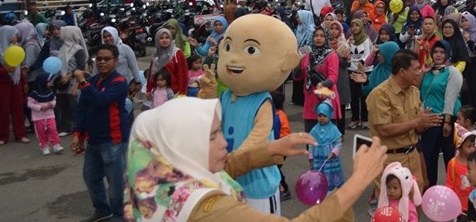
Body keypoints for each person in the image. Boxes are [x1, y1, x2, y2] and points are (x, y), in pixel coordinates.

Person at [124, 96, 390, 221]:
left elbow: (226, 165)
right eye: (212, 135)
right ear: (182, 146)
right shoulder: (208, 208)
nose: (223, 142)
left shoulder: (160, 178)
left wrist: (271, 148)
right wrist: (358, 182)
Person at [367, 49, 443, 191]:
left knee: (414, 207)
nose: (419, 72)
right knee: (393, 209)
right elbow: (384, 129)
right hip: (390, 161)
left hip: (413, 158)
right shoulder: (379, 95)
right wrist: (416, 122)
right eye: (415, 69)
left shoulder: (414, 92)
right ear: (402, 72)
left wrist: (424, 123)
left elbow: (417, 130)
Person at [72, 44, 130, 222]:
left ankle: (120, 215)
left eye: (107, 59)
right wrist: (78, 135)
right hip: (94, 141)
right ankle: (102, 210)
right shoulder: (94, 81)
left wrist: (82, 82)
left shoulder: (119, 82)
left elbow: (102, 100)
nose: (102, 62)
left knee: (115, 182)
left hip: (113, 140)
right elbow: (83, 109)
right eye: (99, 58)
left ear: (116, 61)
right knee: (90, 177)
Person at [419, 39, 463, 188]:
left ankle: (454, 189)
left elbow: (450, 97)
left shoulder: (452, 72)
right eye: (435, 52)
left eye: (442, 52)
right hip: (429, 119)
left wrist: (447, 122)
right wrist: (423, 72)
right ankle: (430, 188)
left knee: (449, 158)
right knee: (428, 156)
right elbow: (419, 91)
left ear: (447, 54)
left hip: (446, 118)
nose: (438, 55)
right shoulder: (429, 71)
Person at [297, 26, 341, 132]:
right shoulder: (307, 55)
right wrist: (297, 64)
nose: (318, 38)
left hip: (326, 97)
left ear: (326, 38)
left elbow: (333, 76)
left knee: (327, 139)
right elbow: (298, 76)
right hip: (311, 98)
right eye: (316, 35)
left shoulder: (331, 55)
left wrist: (323, 84)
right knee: (310, 137)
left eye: (322, 36)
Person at [309, 101, 345, 192]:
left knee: (330, 174)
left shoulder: (333, 129)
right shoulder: (314, 130)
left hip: (330, 158)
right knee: (319, 174)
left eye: (324, 116)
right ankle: (320, 190)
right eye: (319, 115)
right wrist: (311, 157)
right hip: (318, 158)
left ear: (329, 115)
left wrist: (334, 152)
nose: (322, 118)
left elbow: (338, 143)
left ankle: (331, 191)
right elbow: (311, 143)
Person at [27, 71, 63, 154]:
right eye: (49, 81)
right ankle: (44, 146)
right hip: (38, 117)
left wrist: (51, 105)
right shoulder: (34, 93)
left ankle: (56, 144)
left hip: (50, 115)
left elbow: (54, 100)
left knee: (53, 129)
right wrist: (40, 107)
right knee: (41, 132)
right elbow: (29, 104)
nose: (51, 83)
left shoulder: (49, 92)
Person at [446, 127, 476, 214]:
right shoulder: (453, 163)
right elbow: (449, 185)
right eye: (469, 146)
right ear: (459, 147)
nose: (472, 149)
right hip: (459, 204)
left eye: (473, 146)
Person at [148, 28, 188, 96]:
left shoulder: (177, 53)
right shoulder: (156, 53)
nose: (164, 40)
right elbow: (152, 73)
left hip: (175, 92)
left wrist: (182, 92)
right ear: (157, 39)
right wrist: (149, 89)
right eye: (161, 38)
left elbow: (183, 73)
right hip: (158, 91)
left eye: (167, 37)